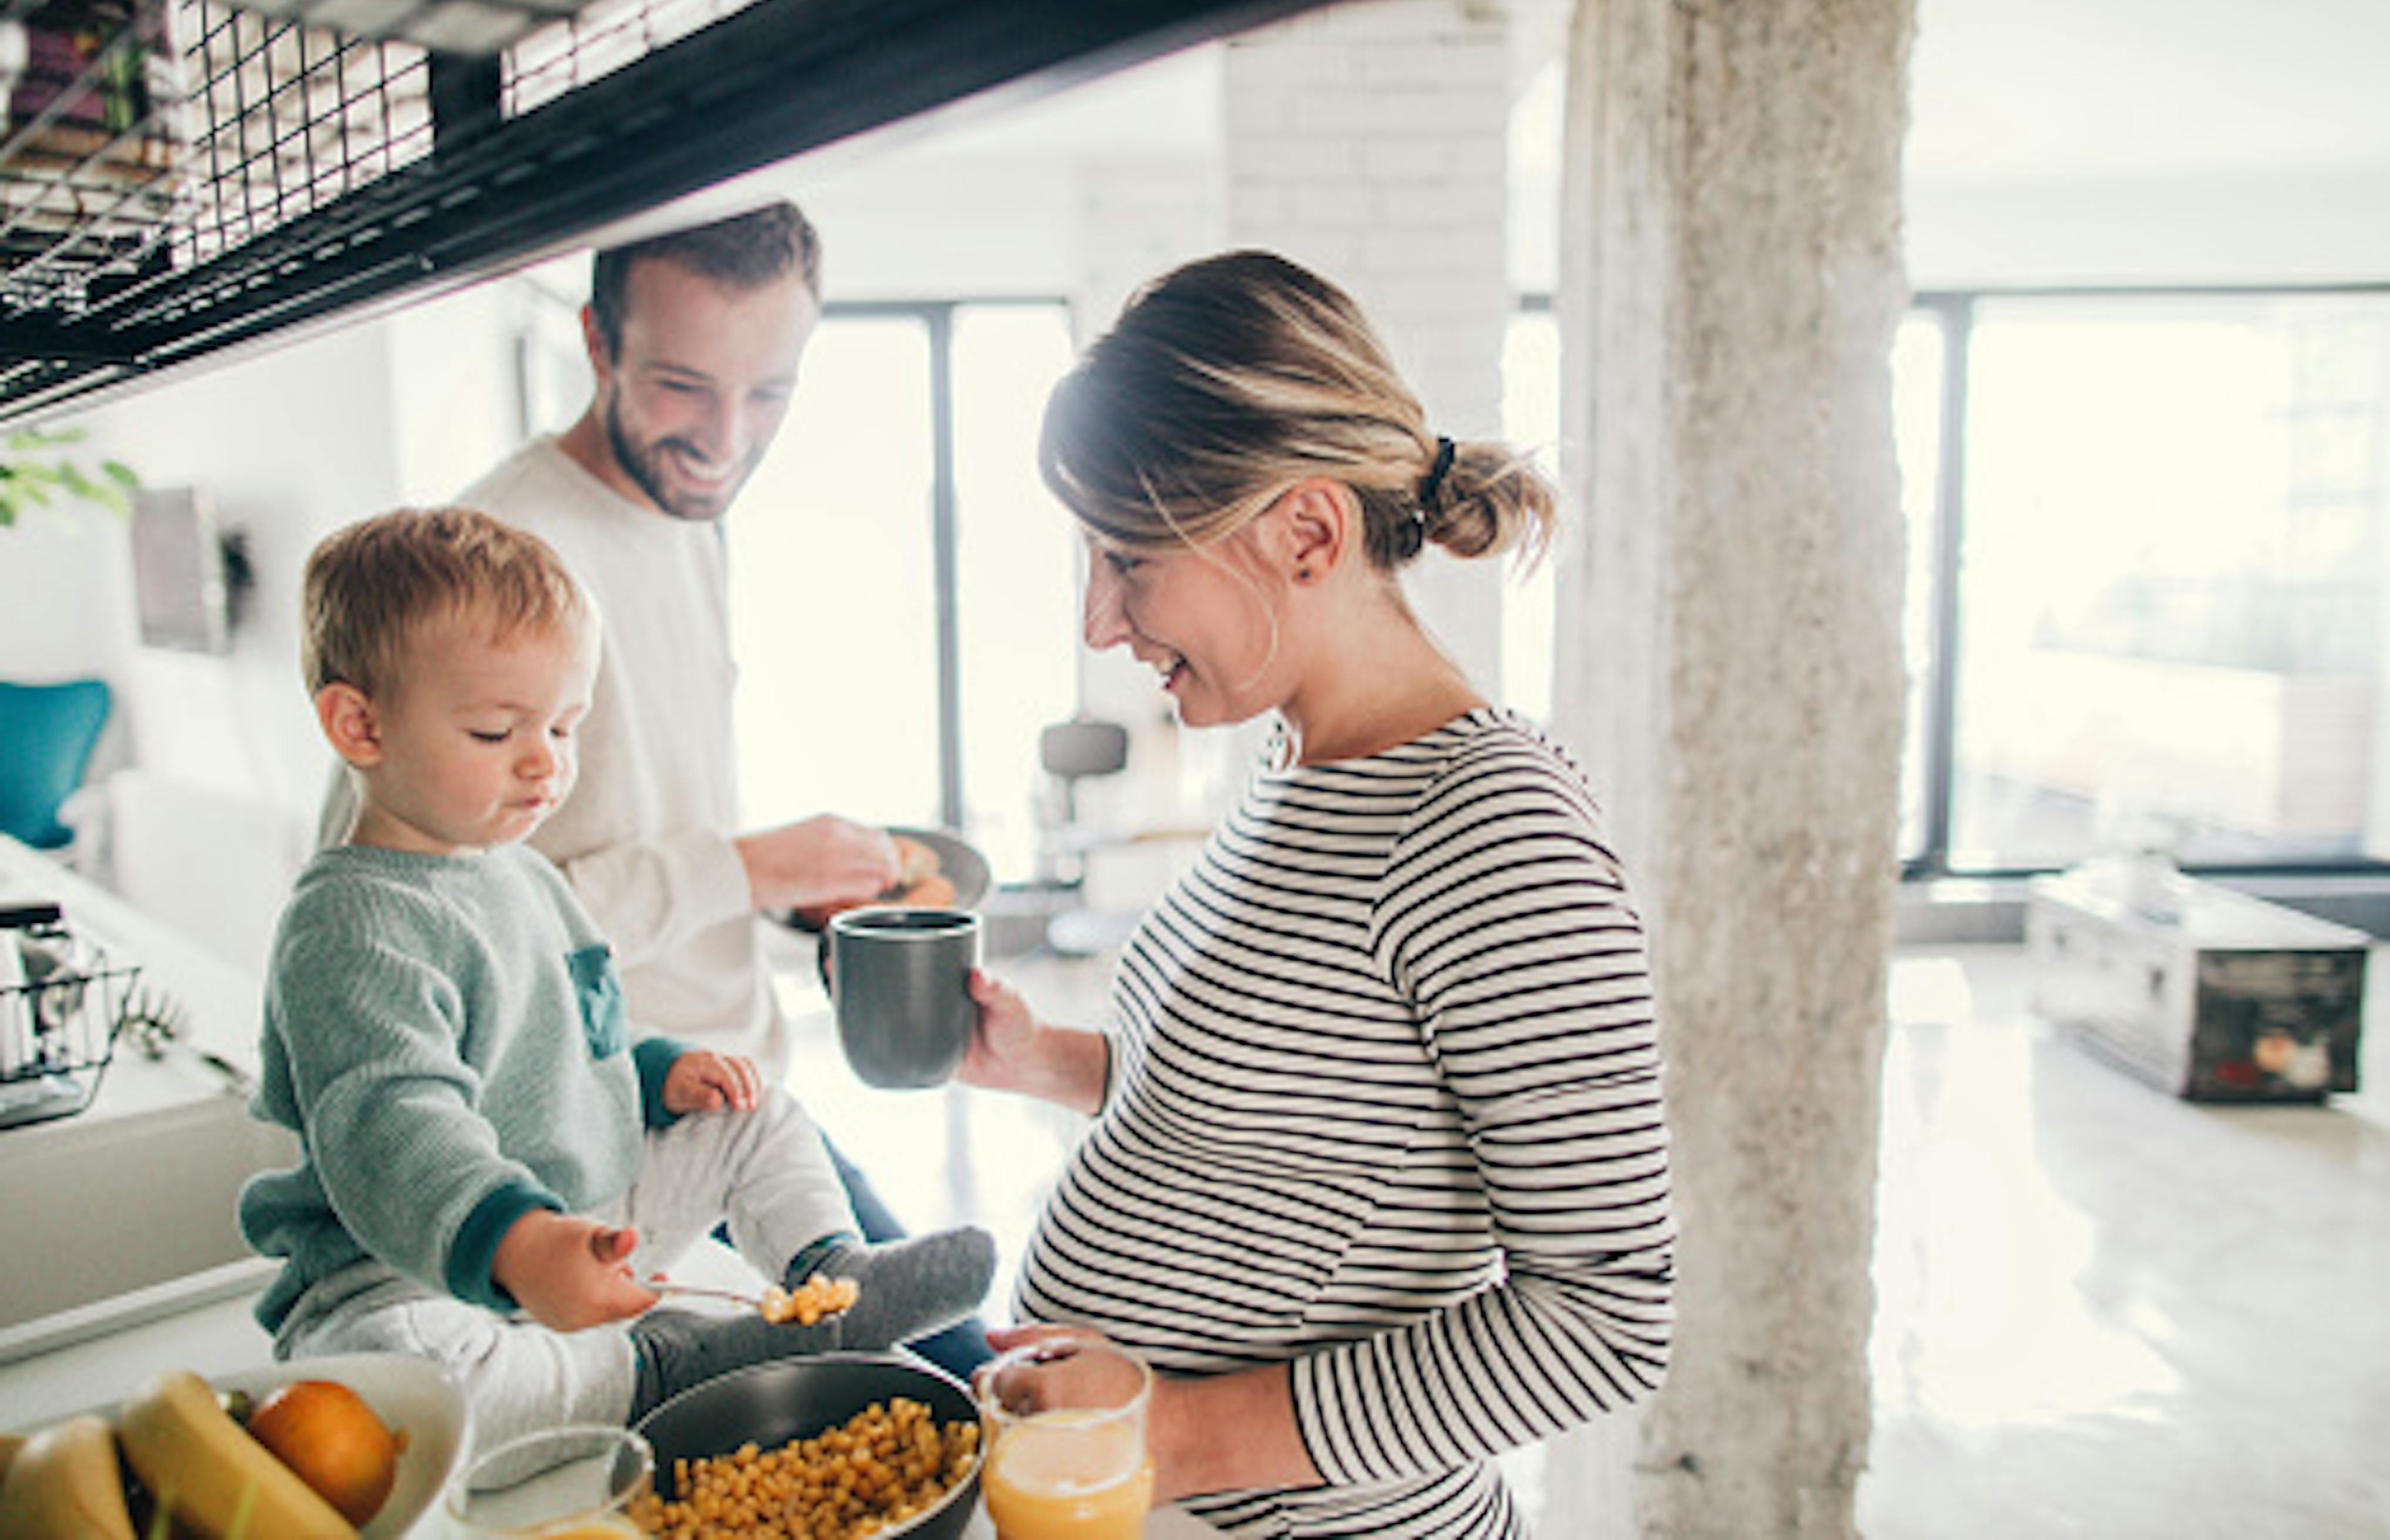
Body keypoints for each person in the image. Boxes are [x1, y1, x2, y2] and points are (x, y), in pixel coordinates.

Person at [960, 251, 1675, 1538]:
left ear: (1306, 531)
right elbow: (1294, 1119)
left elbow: (1606, 1314)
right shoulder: (1299, 761)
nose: (1099, 620)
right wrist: (1045, 1060)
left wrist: (1169, 1435)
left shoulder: (1495, 828)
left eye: (1128, 558)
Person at [322, 199, 991, 1375]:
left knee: (964, 1378)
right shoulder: (500, 555)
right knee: (935, 1393)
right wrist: (741, 866)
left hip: (723, 1090)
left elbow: (621, 827)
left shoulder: (680, 517)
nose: (726, 437)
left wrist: (786, 906)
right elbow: (411, 902)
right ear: (597, 343)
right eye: (685, 385)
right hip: (593, 1150)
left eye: (769, 391)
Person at [246, 506, 994, 1448]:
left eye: (565, 727)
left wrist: (657, 1071)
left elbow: (575, 1029)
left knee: (754, 1110)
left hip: (578, 1213)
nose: (545, 765)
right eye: (493, 731)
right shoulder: (349, 926)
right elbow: (395, 1128)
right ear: (360, 724)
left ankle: (828, 1273)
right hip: (409, 1270)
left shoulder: (515, 869)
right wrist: (518, 1246)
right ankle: (660, 1366)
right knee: (414, 1377)